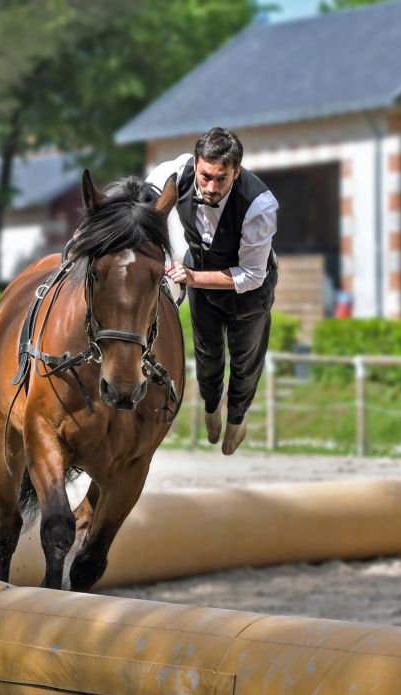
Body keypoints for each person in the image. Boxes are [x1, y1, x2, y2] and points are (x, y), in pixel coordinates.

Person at [147, 127, 279, 455]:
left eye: (221, 179)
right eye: (206, 176)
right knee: (207, 356)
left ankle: (237, 417)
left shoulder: (259, 205)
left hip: (249, 290)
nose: (210, 187)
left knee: (245, 362)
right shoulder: (176, 173)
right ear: (196, 163)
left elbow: (250, 275)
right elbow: (141, 201)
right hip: (200, 275)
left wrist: (191, 277)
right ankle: (210, 409)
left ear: (237, 171)